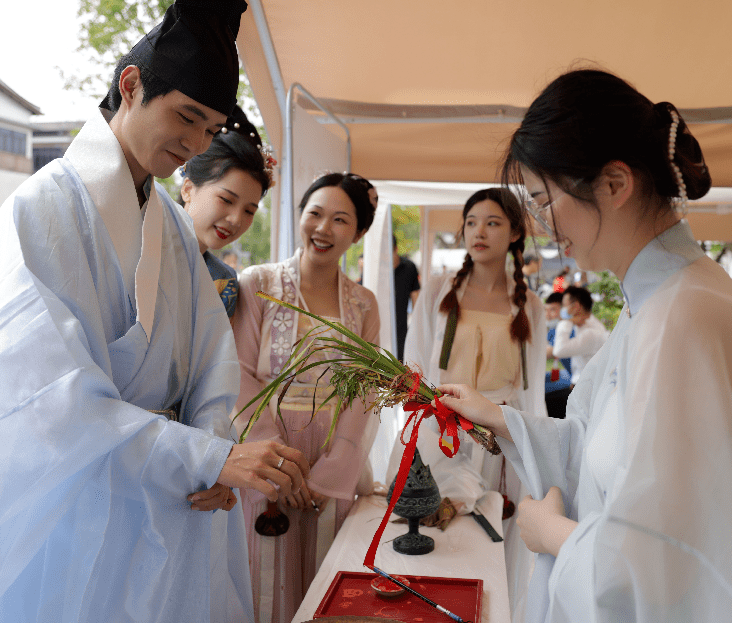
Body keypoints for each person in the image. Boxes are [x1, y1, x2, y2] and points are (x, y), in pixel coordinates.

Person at [0, 3, 312, 622]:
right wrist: (204, 456)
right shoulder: (42, 208)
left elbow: (210, 358)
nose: (195, 144)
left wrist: (215, 446)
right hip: (84, 500)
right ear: (131, 85)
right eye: (186, 118)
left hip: (172, 497)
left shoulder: (168, 219)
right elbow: (45, 395)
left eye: (210, 128)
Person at [439, 68, 732, 622]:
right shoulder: (664, 298)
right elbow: (606, 455)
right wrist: (500, 418)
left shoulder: (683, 315)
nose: (543, 224)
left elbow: (673, 557)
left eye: (544, 200)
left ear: (614, 184)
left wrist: (553, 533)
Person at [232, 172, 380, 623]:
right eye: (314, 213)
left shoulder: (364, 304)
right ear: (298, 216)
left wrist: (336, 466)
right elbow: (238, 373)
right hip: (268, 450)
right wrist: (278, 460)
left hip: (334, 457)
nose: (323, 228)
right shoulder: (257, 283)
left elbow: (366, 387)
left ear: (358, 232)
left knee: (329, 574)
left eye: (340, 219)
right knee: (265, 574)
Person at [403, 186, 546, 621]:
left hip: (501, 440)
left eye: (493, 222)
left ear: (516, 233)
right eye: (470, 222)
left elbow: (532, 386)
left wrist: (532, 453)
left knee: (495, 549)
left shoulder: (531, 305)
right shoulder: (438, 292)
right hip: (440, 431)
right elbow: (415, 364)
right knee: (434, 540)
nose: (478, 231)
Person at [180, 104, 273, 317]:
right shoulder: (138, 248)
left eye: (249, 211)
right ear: (188, 189)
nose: (235, 219)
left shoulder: (225, 283)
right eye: (226, 199)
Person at [548, 285, 608, 386]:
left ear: (575, 306)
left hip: (586, 388)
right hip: (583, 384)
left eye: (564, 305)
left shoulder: (591, 332)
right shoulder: (584, 325)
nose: (562, 310)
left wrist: (566, 321)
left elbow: (559, 350)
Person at [543, 291, 573, 419]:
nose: (548, 315)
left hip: (576, 382)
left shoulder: (569, 329)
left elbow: (547, 353)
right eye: (546, 310)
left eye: (553, 310)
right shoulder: (553, 330)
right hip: (568, 377)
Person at [392, 234, 420, 360]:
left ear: (396, 249)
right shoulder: (375, 269)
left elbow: (416, 297)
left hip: (402, 330)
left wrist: (416, 326)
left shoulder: (409, 267)